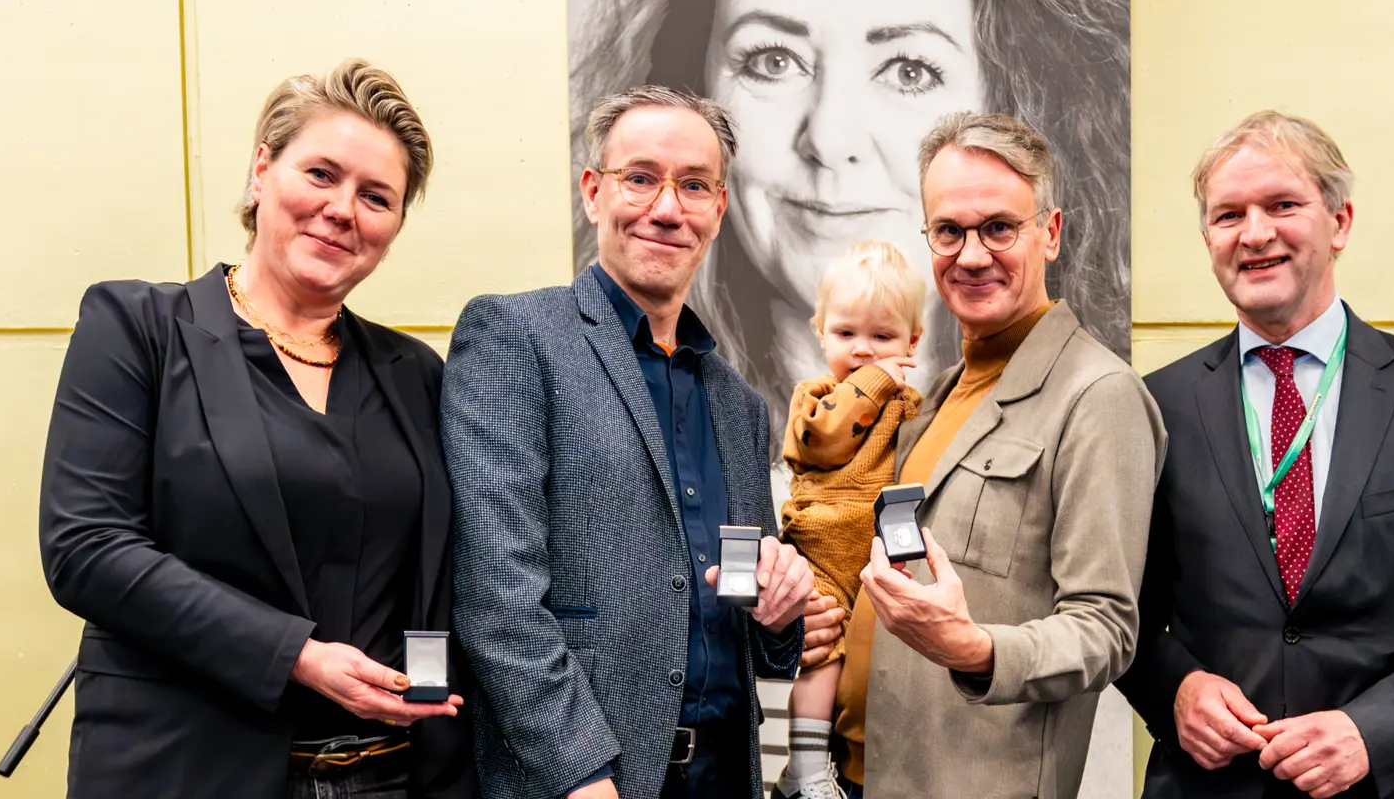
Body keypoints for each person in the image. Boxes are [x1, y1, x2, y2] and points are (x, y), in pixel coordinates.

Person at [37, 59, 474, 798]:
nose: (343, 209)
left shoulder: (415, 374)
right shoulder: (138, 329)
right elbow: (86, 548)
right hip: (186, 772)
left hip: (387, 780)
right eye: (321, 175)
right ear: (262, 170)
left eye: (377, 197)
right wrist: (297, 655)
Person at [1114, 110, 1394, 798]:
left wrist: (1373, 731)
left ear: (1340, 222)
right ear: (1208, 240)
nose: (1255, 233)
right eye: (1229, 215)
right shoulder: (1152, 406)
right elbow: (1115, 609)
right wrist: (1176, 689)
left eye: (1282, 205)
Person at [441, 84, 814, 799]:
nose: (666, 209)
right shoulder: (517, 338)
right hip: (585, 783)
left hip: (725, 774)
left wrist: (781, 613)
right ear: (593, 192)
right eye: (640, 178)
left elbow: (761, 634)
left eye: (694, 186)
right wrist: (582, 773)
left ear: (718, 210)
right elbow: (498, 597)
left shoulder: (740, 406)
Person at [567, 0, 1131, 470]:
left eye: (909, 70)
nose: (831, 138)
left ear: (1004, 105)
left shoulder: (1087, 411)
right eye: (773, 60)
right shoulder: (612, 401)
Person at [810, 111, 1165, 799]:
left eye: (999, 227)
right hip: (856, 778)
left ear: (1051, 234)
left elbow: (1105, 630)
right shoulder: (938, 395)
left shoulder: (1098, 396)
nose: (971, 255)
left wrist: (974, 650)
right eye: (948, 231)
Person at [771, 240, 926, 799]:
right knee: (822, 656)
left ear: (913, 342)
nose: (863, 351)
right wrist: (881, 377)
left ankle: (844, 760)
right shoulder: (814, 401)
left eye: (882, 337)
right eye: (845, 334)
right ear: (819, 330)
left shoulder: (911, 407)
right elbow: (832, 435)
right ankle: (804, 769)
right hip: (823, 549)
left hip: (876, 558)